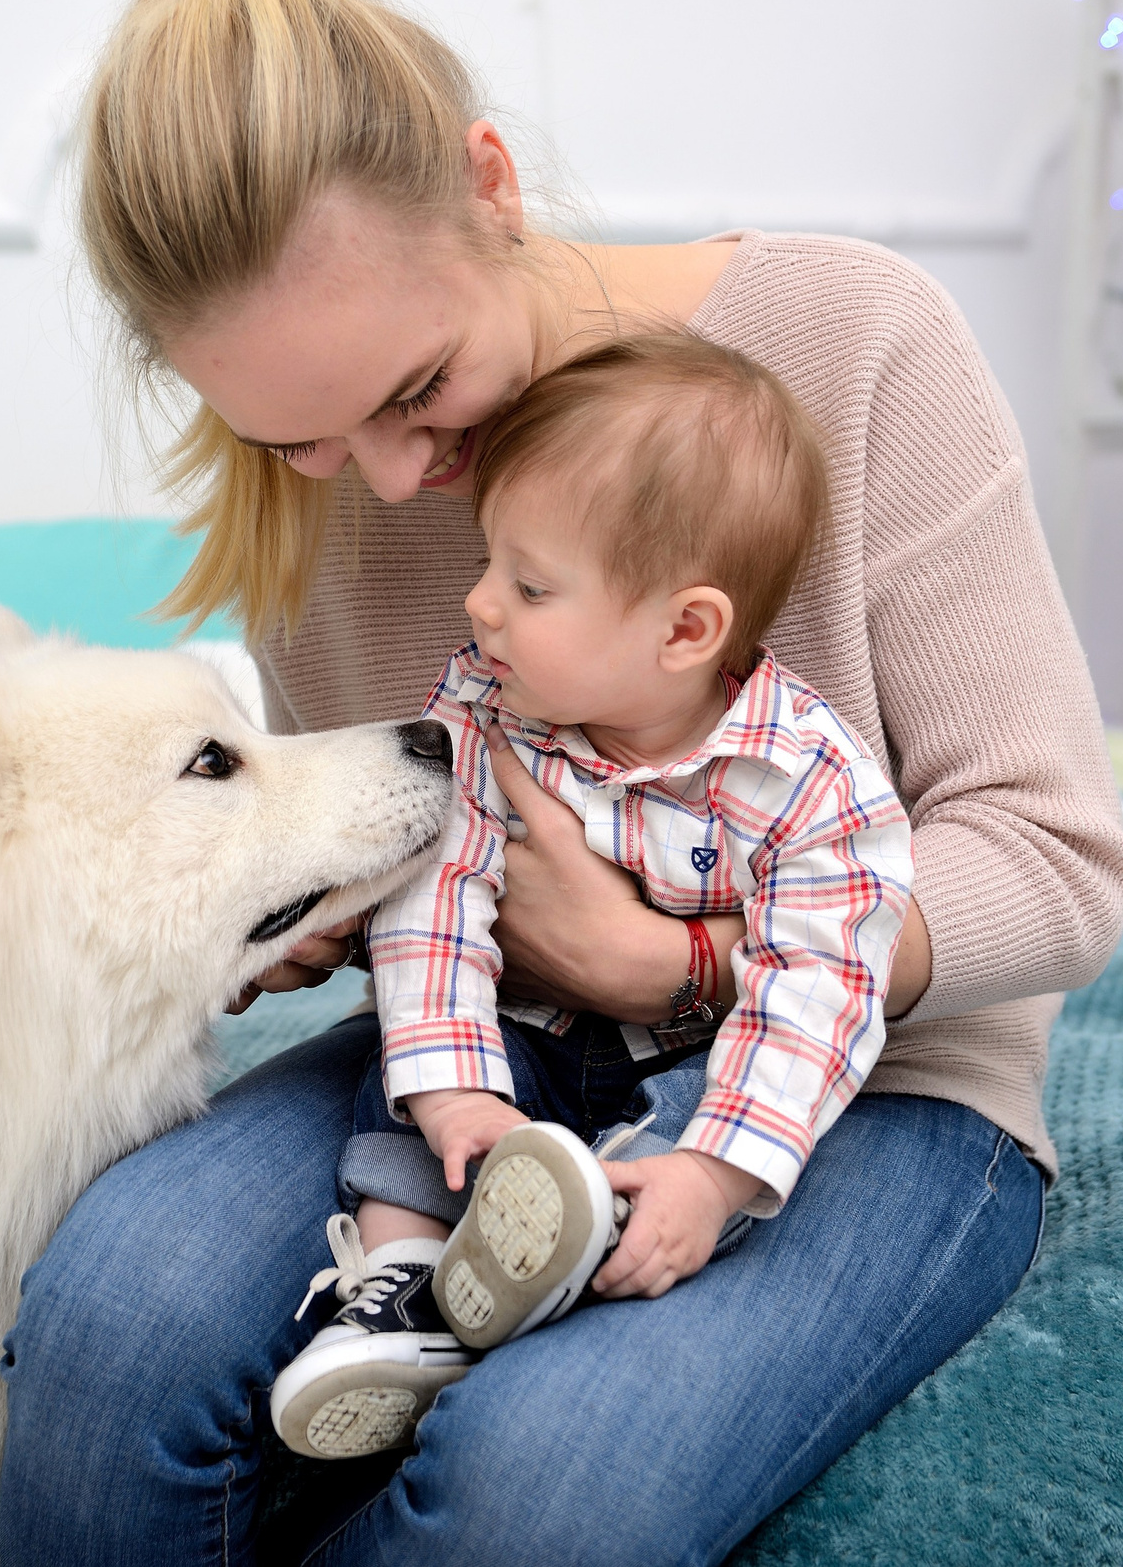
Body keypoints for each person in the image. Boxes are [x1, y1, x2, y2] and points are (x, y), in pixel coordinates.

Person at [0, 0, 1123, 1565]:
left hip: (873, 1068)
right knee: (109, 1326)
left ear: (491, 181)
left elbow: (1055, 856)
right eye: (300, 438)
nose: (389, 482)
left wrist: (686, 959)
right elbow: (436, 827)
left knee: (547, 1478)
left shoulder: (854, 342)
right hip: (486, 1046)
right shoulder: (322, 480)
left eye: (420, 391)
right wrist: (316, 907)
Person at [268, 330, 913, 1463]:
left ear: (684, 629)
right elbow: (436, 903)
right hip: (533, 1037)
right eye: (487, 565)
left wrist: (714, 1176)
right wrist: (457, 1091)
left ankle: (592, 1239)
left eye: (528, 585)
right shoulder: (481, 707)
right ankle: (403, 1281)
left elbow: (819, 984)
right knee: (409, 1079)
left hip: (684, 1066)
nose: (478, 604)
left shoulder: (810, 779)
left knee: (711, 1106)